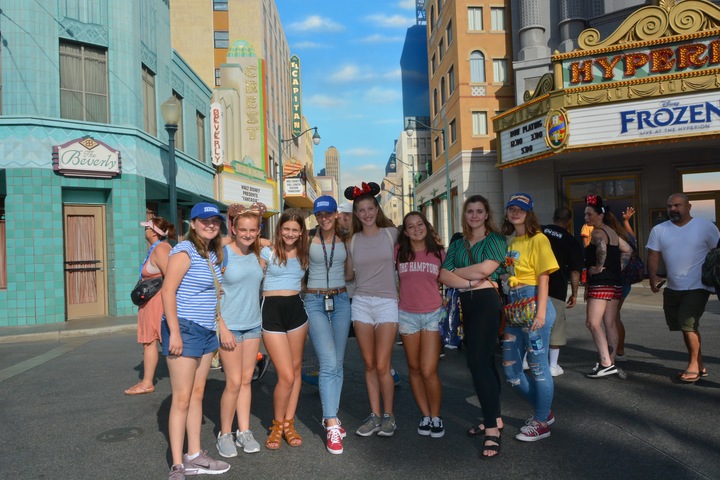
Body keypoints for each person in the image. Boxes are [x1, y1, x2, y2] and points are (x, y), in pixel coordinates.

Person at [161, 202, 230, 480]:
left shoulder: (211, 253)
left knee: (197, 394)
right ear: (193, 223)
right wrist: (175, 333)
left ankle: (195, 454)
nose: (210, 225)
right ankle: (178, 465)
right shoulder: (184, 250)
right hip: (185, 328)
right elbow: (167, 291)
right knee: (181, 398)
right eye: (204, 221)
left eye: (215, 221)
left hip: (206, 330)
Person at [438, 195, 506, 458]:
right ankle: (495, 418)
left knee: (477, 363)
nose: (475, 216)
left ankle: (491, 429)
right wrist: (468, 281)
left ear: (487, 214)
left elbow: (486, 269)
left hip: (487, 302)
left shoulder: (496, 239)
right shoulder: (458, 242)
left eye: (479, 211)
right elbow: (443, 274)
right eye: (470, 211)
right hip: (464, 304)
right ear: (464, 215)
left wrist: (457, 273)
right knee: (484, 362)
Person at [501, 193, 559, 442]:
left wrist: (541, 314)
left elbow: (544, 278)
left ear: (529, 213)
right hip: (515, 308)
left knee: (538, 367)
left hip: (535, 305)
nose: (515, 213)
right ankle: (543, 411)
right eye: (511, 209)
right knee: (511, 370)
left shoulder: (539, 239)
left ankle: (541, 422)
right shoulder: (511, 242)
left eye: (520, 209)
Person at [344, 182, 400, 437]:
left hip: (387, 303)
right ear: (356, 214)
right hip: (362, 304)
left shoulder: (392, 234)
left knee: (382, 364)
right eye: (361, 210)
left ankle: (389, 416)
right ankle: (375, 415)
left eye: (370, 208)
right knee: (368, 364)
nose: (366, 214)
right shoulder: (352, 241)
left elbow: (412, 256)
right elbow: (348, 275)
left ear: (377, 209)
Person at [647, 193, 720, 383]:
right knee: (684, 326)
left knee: (687, 323)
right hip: (673, 287)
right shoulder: (659, 230)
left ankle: (693, 366)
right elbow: (653, 256)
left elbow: (717, 252)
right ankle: (700, 364)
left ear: (689, 207)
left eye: (677, 205)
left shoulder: (705, 227)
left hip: (699, 285)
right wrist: (653, 277)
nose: (673, 209)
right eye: (670, 206)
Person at [214, 202, 267, 458]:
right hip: (230, 327)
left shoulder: (259, 254)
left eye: (252, 230)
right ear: (233, 229)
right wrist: (221, 327)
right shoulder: (221, 253)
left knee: (246, 381)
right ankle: (225, 434)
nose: (247, 234)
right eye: (242, 229)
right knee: (233, 382)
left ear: (258, 231)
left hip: (253, 325)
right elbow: (211, 293)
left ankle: (244, 430)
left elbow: (273, 244)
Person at [304, 196, 352, 454]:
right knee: (328, 362)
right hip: (314, 301)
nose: (324, 218)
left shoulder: (347, 239)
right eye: (319, 215)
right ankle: (331, 422)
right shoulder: (306, 239)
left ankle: (331, 415)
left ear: (335, 214)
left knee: (338, 363)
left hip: (341, 300)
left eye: (328, 214)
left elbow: (350, 273)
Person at [261, 208, 309, 449]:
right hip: (271, 313)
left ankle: (289, 423)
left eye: (295, 230)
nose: (290, 233)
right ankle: (277, 425)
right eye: (286, 229)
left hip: (297, 313)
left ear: (301, 232)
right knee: (286, 375)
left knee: (296, 369)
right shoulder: (267, 251)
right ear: (279, 229)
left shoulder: (305, 253)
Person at [396, 211, 446, 439]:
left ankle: (436, 416)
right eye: (411, 226)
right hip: (407, 315)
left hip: (432, 315)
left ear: (426, 226)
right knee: (414, 368)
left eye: (420, 224)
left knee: (428, 370)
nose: (416, 229)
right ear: (405, 232)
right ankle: (425, 415)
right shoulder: (398, 252)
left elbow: (449, 277)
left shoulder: (439, 253)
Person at [583, 195, 632, 379]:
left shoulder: (597, 233)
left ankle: (605, 363)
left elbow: (601, 248)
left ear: (600, 215)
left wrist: (598, 267)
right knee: (610, 323)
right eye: (585, 214)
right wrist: (618, 267)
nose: (586, 218)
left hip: (601, 283)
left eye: (589, 214)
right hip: (615, 283)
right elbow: (628, 249)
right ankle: (610, 361)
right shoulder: (612, 232)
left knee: (592, 322)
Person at [125, 217, 174, 395]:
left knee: (151, 341)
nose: (144, 230)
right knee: (157, 340)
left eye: (147, 228)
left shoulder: (161, 249)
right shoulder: (159, 248)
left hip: (157, 301)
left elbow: (172, 276)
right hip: (153, 301)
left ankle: (147, 382)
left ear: (154, 232)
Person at [541, 207, 584, 377]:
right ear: (569, 221)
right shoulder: (571, 240)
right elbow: (575, 270)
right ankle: (552, 365)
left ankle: (529, 360)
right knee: (555, 325)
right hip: (556, 288)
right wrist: (574, 293)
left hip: (534, 284)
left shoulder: (540, 231)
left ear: (553, 217)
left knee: (533, 323)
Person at [616, 206, 638, 361]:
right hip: (627, 282)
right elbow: (633, 236)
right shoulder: (628, 238)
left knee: (614, 317)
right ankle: (618, 349)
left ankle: (619, 350)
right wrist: (626, 221)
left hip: (618, 281)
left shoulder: (614, 240)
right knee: (615, 316)